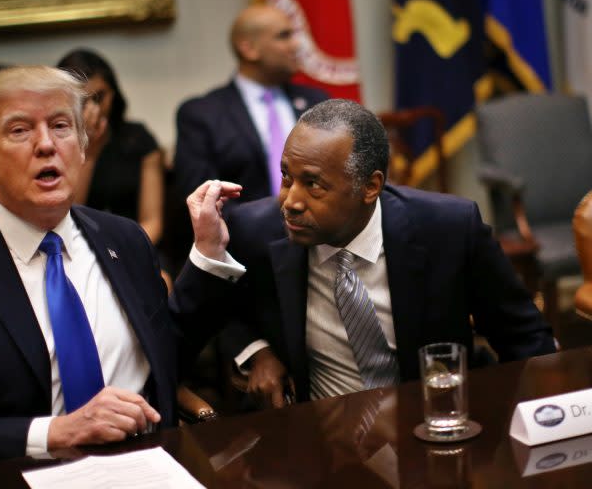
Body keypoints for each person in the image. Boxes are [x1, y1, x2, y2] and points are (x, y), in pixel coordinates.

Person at [0, 65, 243, 477]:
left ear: (83, 148)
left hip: (146, 466)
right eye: (19, 130)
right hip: (20, 475)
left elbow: (166, 355)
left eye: (61, 126)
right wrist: (54, 433)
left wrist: (208, 253)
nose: (46, 144)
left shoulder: (124, 239)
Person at [222, 99, 556, 408]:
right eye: (286, 177)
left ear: (370, 187)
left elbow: (523, 336)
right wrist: (260, 352)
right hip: (320, 435)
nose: (291, 202)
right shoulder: (256, 231)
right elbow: (221, 311)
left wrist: (537, 424)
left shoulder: (448, 230)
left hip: (432, 420)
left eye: (313, 185)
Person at [173, 4, 329, 202]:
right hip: (243, 230)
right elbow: (202, 198)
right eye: (284, 36)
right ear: (249, 49)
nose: (297, 44)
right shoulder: (201, 114)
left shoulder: (317, 101)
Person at [57, 49, 164, 245]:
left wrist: (123, 255)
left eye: (98, 98)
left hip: (136, 244)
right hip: (77, 246)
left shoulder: (138, 139)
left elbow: (152, 221)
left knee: (162, 276)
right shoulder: (53, 145)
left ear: (113, 94)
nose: (92, 109)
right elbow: (66, 219)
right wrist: (88, 153)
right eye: (81, 101)